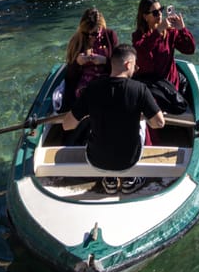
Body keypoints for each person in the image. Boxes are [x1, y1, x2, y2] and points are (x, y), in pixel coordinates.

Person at [59, 43, 165, 174]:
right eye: (135, 65)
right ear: (128, 65)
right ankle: (131, 178)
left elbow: (67, 125)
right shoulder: (140, 89)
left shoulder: (92, 88)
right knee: (143, 122)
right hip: (129, 161)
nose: (136, 69)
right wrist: (140, 116)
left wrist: (90, 113)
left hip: (96, 160)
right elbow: (159, 123)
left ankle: (109, 179)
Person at [132, 0, 197, 111]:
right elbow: (141, 52)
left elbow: (190, 49)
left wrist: (182, 29)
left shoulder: (170, 32)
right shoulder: (138, 36)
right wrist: (158, 31)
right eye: (155, 12)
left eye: (161, 10)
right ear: (145, 16)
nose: (160, 14)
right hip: (153, 85)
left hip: (171, 82)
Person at [62, 8, 119, 116]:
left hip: (107, 80)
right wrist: (77, 63)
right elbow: (69, 77)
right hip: (85, 85)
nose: (90, 37)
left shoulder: (110, 36)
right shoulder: (76, 41)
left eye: (94, 34)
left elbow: (118, 65)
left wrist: (104, 61)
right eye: (86, 34)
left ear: (101, 27)